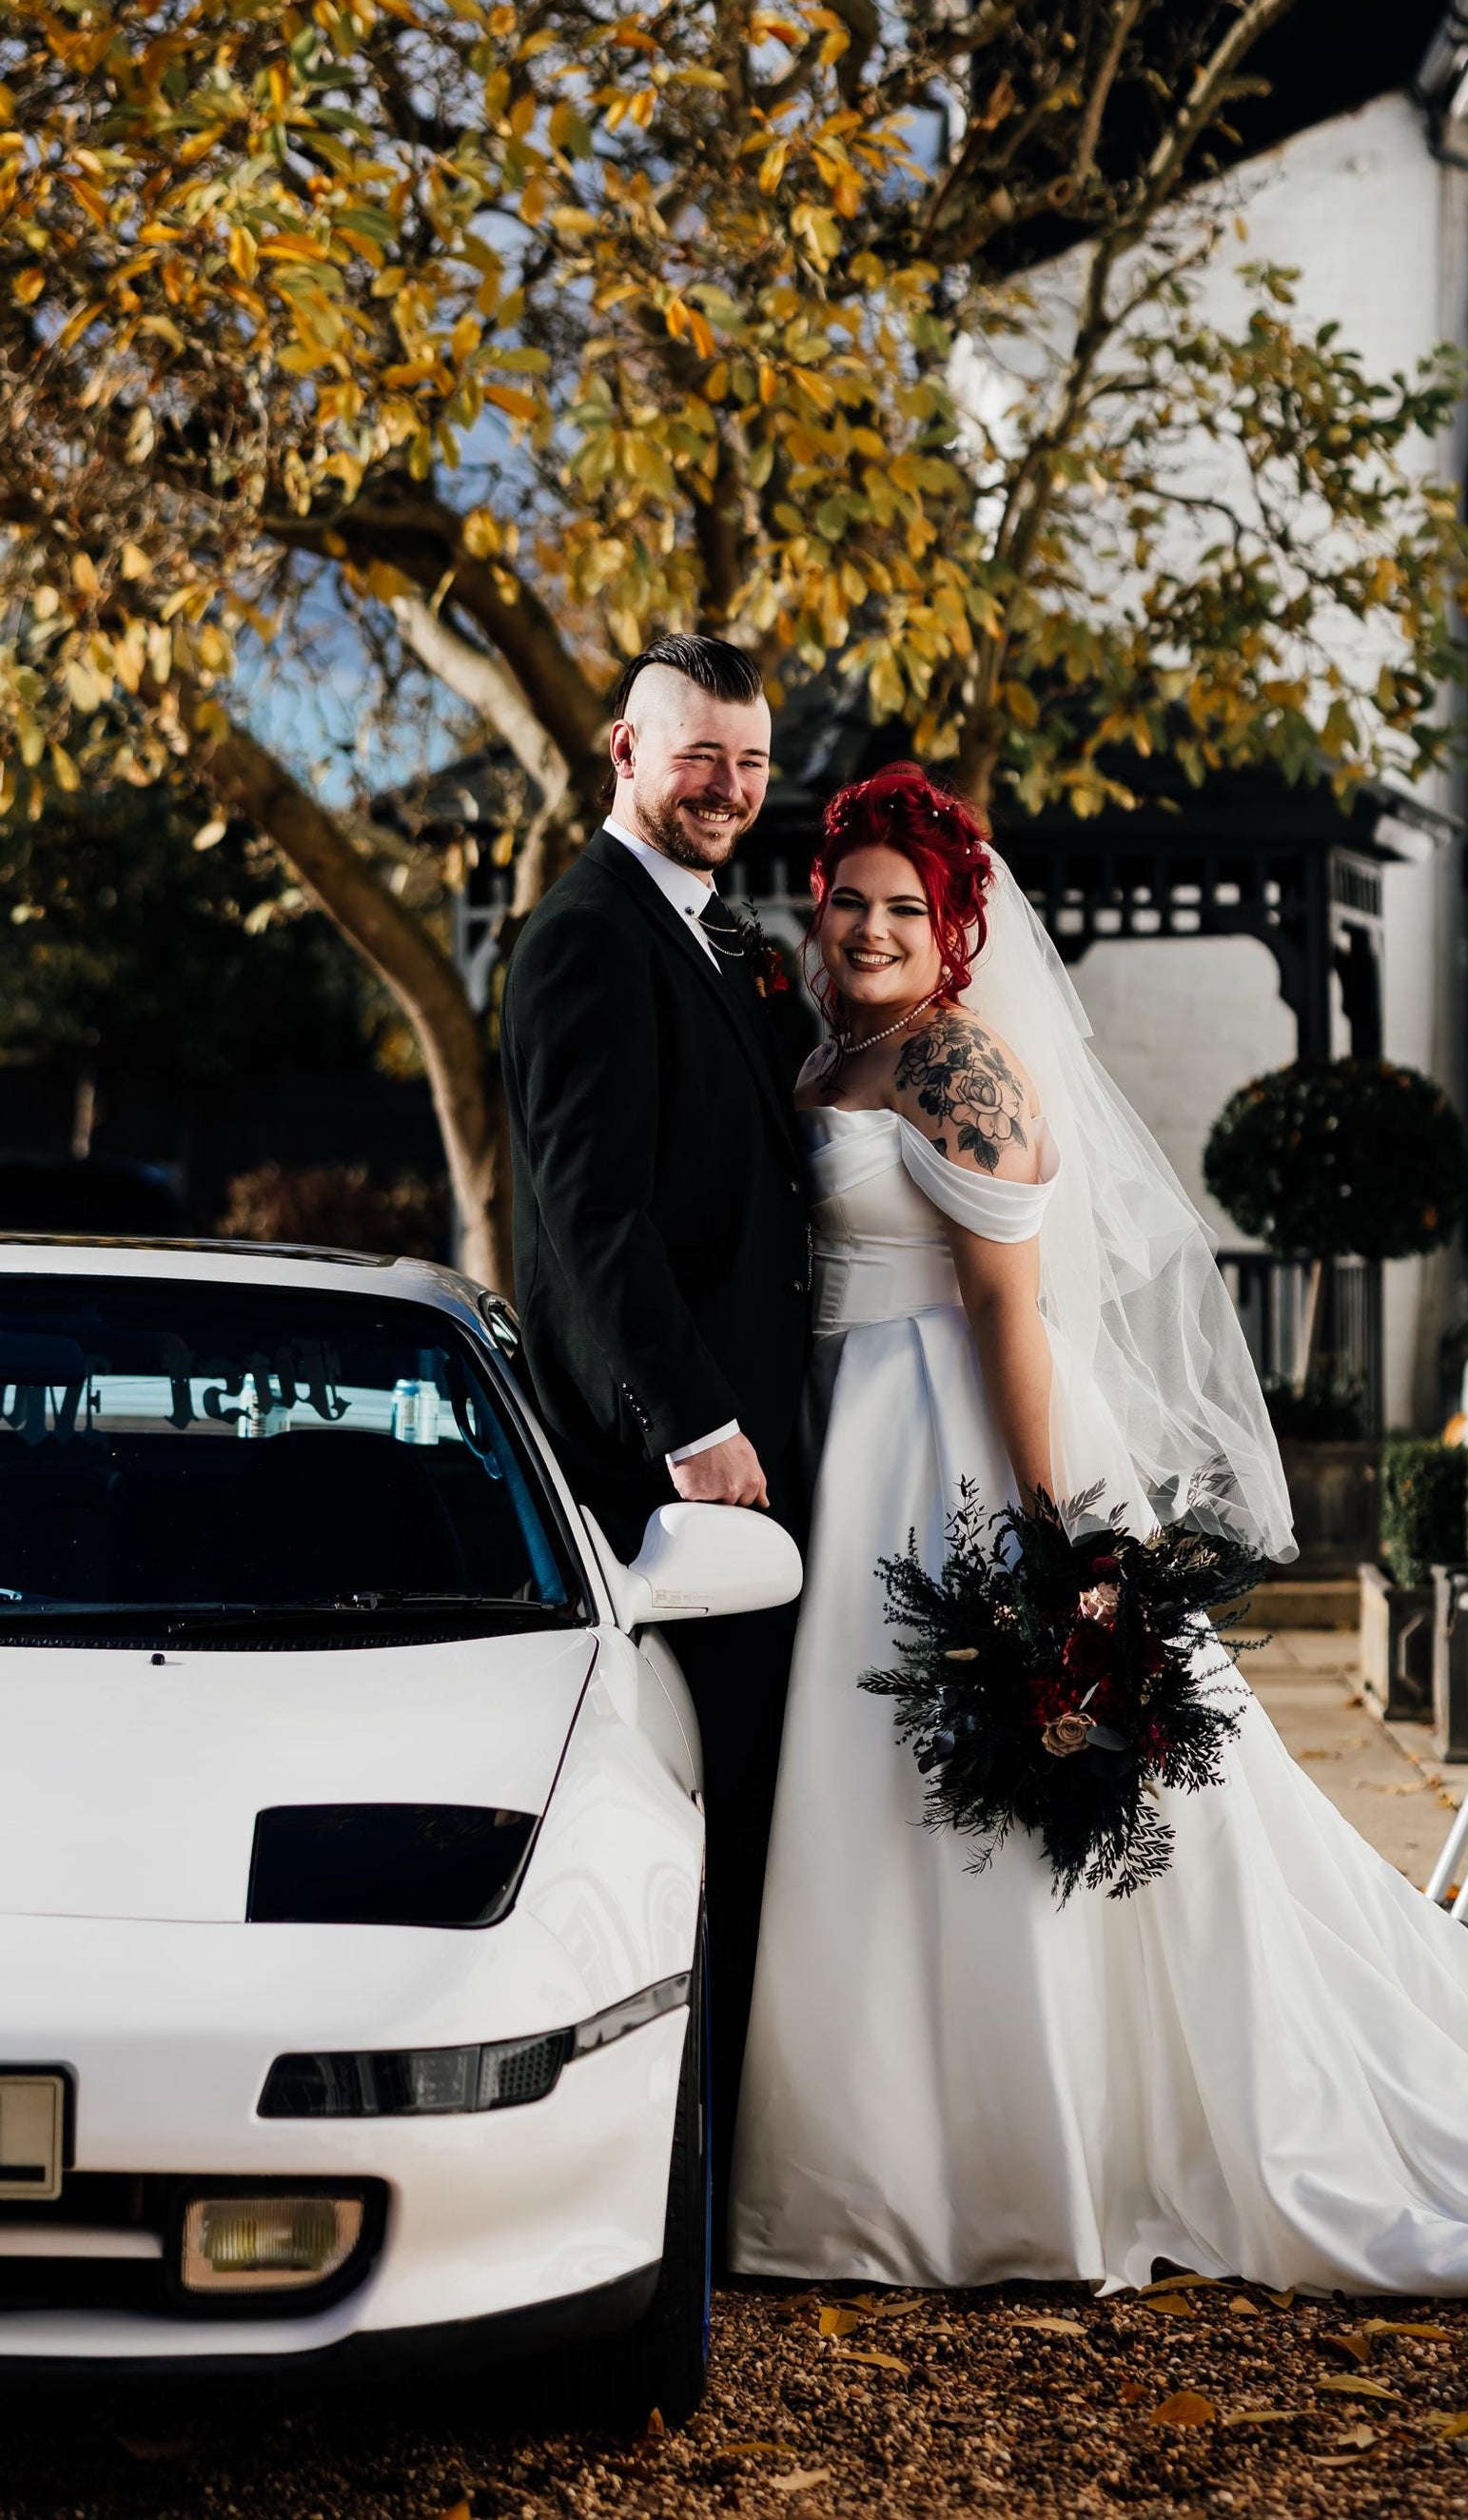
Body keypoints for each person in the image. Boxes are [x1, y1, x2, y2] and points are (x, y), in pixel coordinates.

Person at [730, 763, 1468, 2300]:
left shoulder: (956, 1069)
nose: (867, 925)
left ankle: (1015, 2169)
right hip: (848, 1445)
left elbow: (1008, 1321)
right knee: (879, 1815)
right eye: (848, 899)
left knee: (998, 1812)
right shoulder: (827, 1061)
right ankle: (883, 2161)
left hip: (951, 1459)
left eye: (901, 908)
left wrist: (1072, 1553)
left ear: (953, 926)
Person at [499, 631, 810, 2206]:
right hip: (675, 1476)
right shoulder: (583, 937)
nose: (731, 791)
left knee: (756, 1799)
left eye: (751, 764)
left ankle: (729, 2154)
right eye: (701, 760)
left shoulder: (703, 938)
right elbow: (589, 1214)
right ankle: (678, 2181)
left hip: (749, 1458)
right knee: (696, 1813)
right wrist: (689, 1423)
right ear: (623, 753)